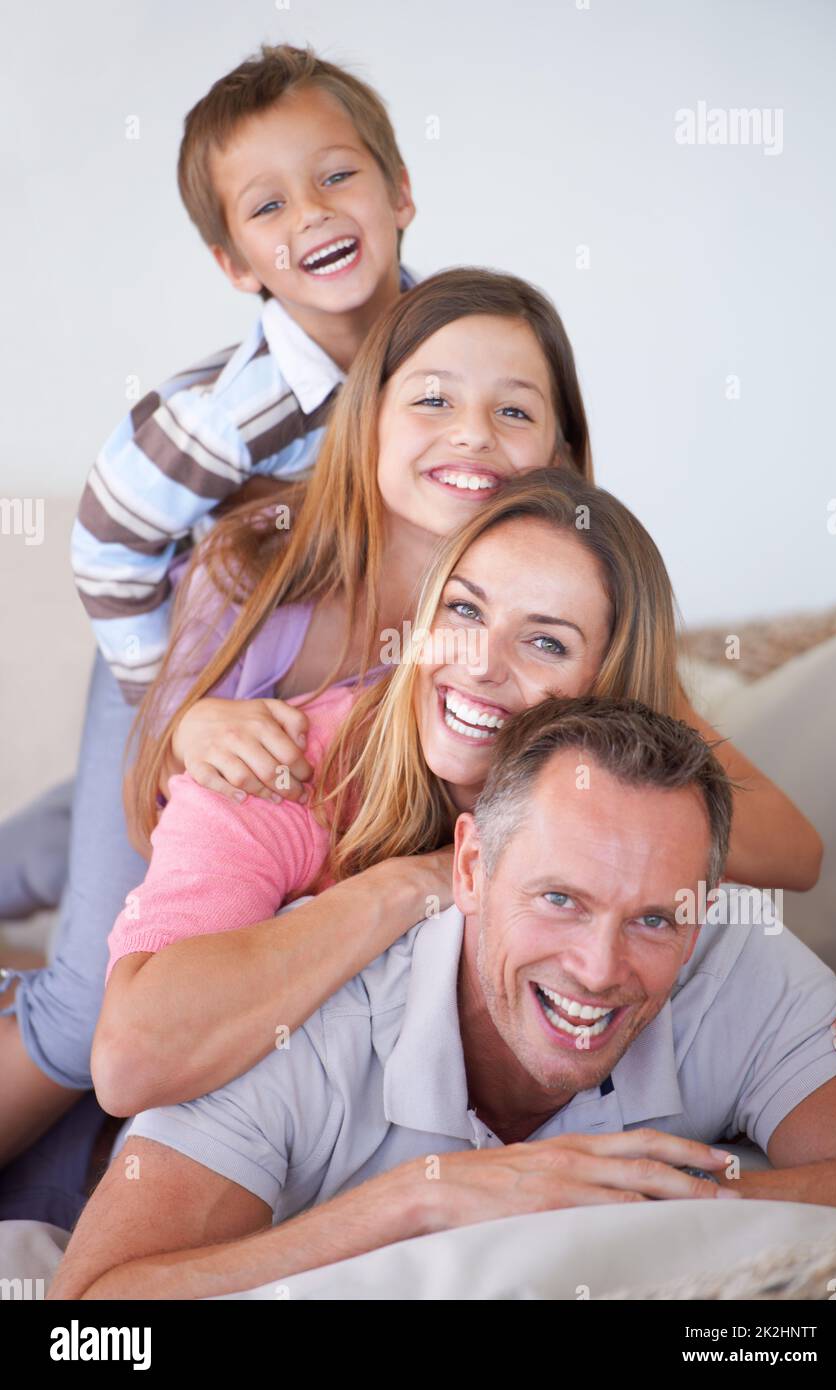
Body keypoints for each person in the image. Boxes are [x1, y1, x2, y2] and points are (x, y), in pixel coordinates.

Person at [48, 697, 836, 1300]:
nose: (596, 967)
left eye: (653, 919)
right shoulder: (296, 1014)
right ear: (469, 869)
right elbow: (87, 1316)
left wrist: (645, 1203)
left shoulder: (732, 963)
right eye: (559, 900)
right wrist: (419, 1200)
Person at [91, 468, 829, 1118]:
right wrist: (406, 884)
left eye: (546, 642)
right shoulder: (282, 768)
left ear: (606, 688)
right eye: (465, 610)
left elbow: (796, 859)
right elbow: (128, 1064)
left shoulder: (633, 825)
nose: (478, 665)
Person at [0, 40, 423, 1165]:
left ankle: (51, 840)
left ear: (400, 193)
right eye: (268, 204)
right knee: (87, 1002)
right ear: (237, 263)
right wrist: (174, 717)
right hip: (166, 668)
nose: (314, 214)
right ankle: (65, 856)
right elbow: (106, 553)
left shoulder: (453, 360)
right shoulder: (221, 421)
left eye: (338, 175)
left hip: (302, 677)